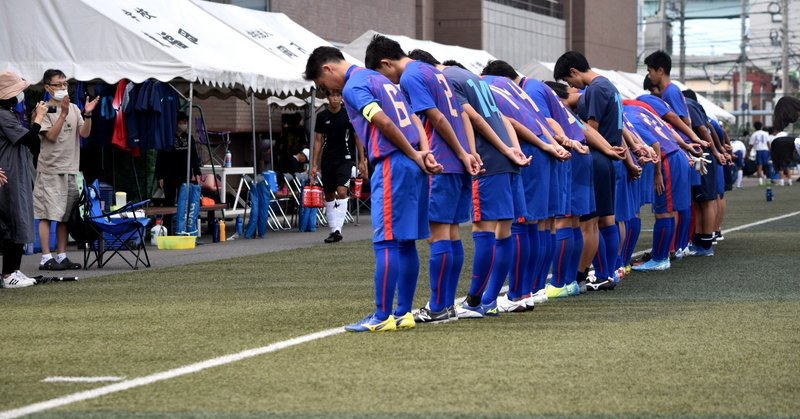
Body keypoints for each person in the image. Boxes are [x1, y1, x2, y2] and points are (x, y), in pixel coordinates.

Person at [304, 46, 442, 332]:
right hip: (413, 161)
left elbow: (383, 121)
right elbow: (414, 117)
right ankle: (403, 312)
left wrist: (413, 153)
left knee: (386, 241)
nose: (326, 90)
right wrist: (422, 152)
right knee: (406, 241)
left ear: (328, 70)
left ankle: (382, 316)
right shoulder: (380, 79)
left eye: (321, 84)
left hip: (395, 162)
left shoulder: (355, 85)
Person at [366, 36, 480, 323]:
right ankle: (447, 304)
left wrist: (460, 153)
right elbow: (463, 115)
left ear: (385, 63)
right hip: (458, 160)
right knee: (451, 233)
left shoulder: (412, 76)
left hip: (442, 159)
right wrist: (468, 152)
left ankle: (439, 306)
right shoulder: (434, 71)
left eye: (383, 76)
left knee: (438, 235)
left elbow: (437, 119)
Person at [554, 51, 627, 291]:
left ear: (574, 72)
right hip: (608, 158)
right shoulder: (609, 85)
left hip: (596, 155)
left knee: (591, 223)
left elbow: (590, 129)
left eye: (568, 80)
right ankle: (609, 272)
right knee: (607, 220)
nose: (570, 86)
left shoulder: (595, 89)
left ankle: (594, 274)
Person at [34, 69, 99, 271]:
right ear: (47, 87)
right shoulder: (42, 110)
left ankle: (62, 256)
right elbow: (50, 137)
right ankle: (46, 257)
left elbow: (84, 134)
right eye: (58, 84)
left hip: (71, 169)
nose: (63, 88)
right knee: (47, 214)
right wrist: (61, 114)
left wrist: (87, 114)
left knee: (65, 215)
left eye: (65, 84)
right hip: (50, 170)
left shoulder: (73, 108)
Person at [0, 71, 48, 287]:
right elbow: (29, 138)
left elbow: (31, 143)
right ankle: (9, 274)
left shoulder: (8, 114)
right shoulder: (2, 115)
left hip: (16, 173)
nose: (21, 96)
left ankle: (13, 271)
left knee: (17, 220)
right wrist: (38, 120)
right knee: (14, 221)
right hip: (8, 176)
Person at [311, 89, 367, 244]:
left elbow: (357, 137)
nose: (335, 98)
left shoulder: (348, 114)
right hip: (327, 159)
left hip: (345, 159)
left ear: (342, 98)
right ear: (328, 98)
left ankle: (338, 229)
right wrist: (314, 165)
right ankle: (333, 230)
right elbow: (318, 141)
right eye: (332, 96)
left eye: (338, 95)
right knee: (329, 195)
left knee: (342, 191)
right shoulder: (322, 116)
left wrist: (362, 160)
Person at [156, 112, 202, 207]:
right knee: (169, 201)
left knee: (184, 201)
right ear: (176, 123)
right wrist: (160, 176)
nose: (184, 124)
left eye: (185, 122)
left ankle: (182, 221)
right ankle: (167, 222)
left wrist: (197, 172)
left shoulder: (189, 138)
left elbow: (194, 156)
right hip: (169, 175)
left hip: (184, 174)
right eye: (182, 122)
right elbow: (160, 157)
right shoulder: (168, 138)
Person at [748, 121, 770, 185]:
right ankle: (768, 180)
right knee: (766, 166)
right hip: (765, 150)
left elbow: (751, 145)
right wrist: (770, 151)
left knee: (759, 166)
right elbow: (768, 143)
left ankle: (760, 182)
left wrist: (748, 153)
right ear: (761, 126)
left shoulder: (754, 134)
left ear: (754, 127)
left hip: (758, 150)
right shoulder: (765, 133)